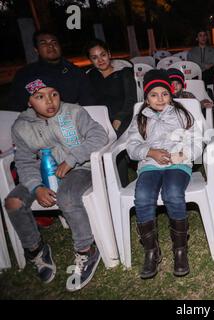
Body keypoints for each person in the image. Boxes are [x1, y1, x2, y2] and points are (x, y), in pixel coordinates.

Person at [4, 76, 108, 291]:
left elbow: (98, 135)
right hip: (41, 175)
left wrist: (72, 159)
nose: (49, 101)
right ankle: (36, 251)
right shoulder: (22, 126)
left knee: (67, 197)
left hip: (80, 168)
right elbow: (23, 161)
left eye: (54, 94)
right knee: (13, 201)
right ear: (29, 102)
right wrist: (36, 186)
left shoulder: (74, 112)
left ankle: (86, 250)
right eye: (39, 97)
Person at [126, 70, 203, 279]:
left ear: (171, 94)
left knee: (173, 192)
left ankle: (180, 249)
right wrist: (150, 152)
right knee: (142, 196)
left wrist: (181, 155)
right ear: (146, 97)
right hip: (150, 165)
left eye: (164, 94)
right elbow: (131, 146)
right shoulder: (140, 118)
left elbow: (197, 142)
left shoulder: (182, 114)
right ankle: (151, 251)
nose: (160, 99)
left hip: (178, 165)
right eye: (154, 94)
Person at [8, 30, 95, 112]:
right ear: (36, 49)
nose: (50, 46)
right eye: (43, 43)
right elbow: (16, 107)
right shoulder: (25, 74)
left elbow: (88, 103)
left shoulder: (76, 72)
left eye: (54, 42)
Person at [85, 39, 137, 137]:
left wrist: (119, 118)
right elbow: (88, 101)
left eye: (103, 55)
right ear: (91, 60)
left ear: (109, 54)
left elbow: (131, 99)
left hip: (123, 117)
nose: (100, 60)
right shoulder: (90, 76)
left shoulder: (124, 72)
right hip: (99, 120)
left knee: (114, 137)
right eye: (95, 57)